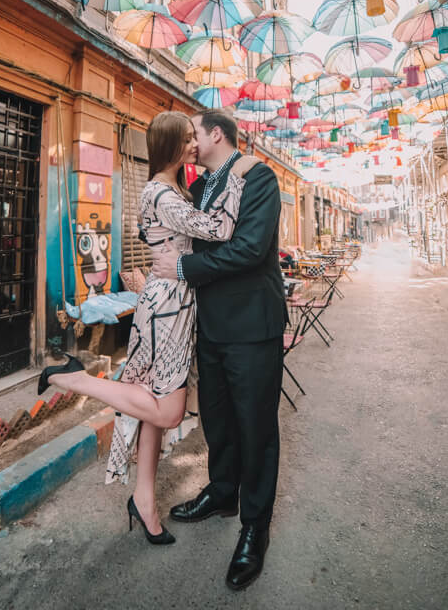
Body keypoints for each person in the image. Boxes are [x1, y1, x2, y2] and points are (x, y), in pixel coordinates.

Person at [37, 110, 258, 546]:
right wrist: (237, 172)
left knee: (152, 408)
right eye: (188, 139)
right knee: (168, 410)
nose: (196, 144)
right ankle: (71, 377)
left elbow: (153, 232)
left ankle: (144, 500)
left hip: (173, 301)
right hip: (167, 308)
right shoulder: (161, 192)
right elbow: (221, 227)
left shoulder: (173, 189)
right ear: (174, 146)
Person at [152, 109, 288, 591]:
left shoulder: (259, 177)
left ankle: (255, 526)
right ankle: (223, 492)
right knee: (217, 418)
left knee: (255, 426)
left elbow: (251, 249)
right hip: (209, 327)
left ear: (215, 134)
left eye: (194, 132)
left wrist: (184, 267)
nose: (189, 140)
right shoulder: (200, 186)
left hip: (252, 325)